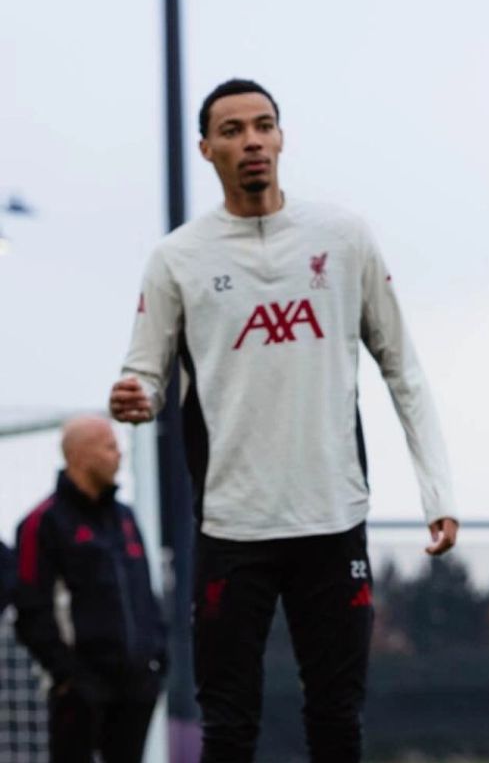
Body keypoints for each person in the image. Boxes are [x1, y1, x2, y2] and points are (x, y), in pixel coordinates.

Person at [108, 78, 459, 762]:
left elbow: (404, 370)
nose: (252, 142)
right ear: (207, 148)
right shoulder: (177, 258)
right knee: (228, 725)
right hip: (230, 526)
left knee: (336, 717)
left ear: (282, 136)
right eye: (233, 131)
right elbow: (145, 377)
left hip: (332, 518)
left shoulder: (344, 237)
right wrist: (136, 397)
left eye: (263, 126)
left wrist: (438, 493)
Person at [12, 416, 167, 763]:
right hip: (81, 690)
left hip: (137, 687)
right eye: (109, 446)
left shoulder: (125, 518)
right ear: (81, 456)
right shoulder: (42, 523)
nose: (119, 455)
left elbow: (144, 593)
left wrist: (157, 657)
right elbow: (30, 607)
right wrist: (67, 675)